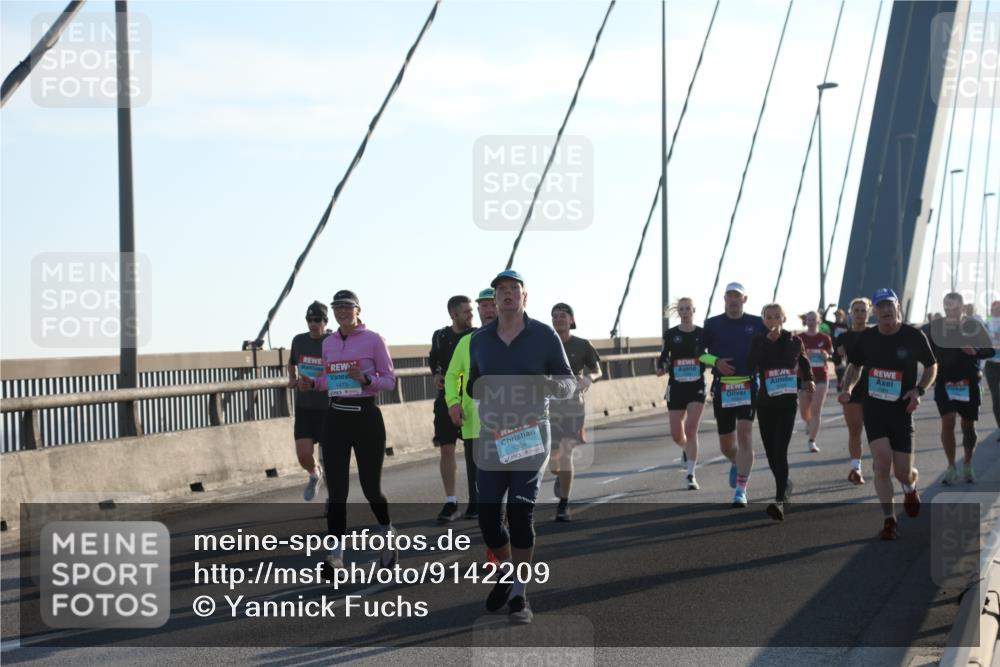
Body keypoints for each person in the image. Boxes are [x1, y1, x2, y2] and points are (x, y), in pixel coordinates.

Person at [467, 270, 575, 624]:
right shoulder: (480, 339)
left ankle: (519, 595)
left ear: (524, 297)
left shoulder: (543, 335)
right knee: (487, 518)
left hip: (530, 435)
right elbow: (473, 384)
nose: (508, 294)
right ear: (493, 300)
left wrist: (546, 384)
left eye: (515, 289)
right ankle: (511, 569)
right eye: (502, 290)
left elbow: (568, 384)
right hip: (493, 436)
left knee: (519, 511)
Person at [298, 290, 397, 569]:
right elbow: (330, 379)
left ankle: (387, 533)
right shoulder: (328, 342)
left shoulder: (374, 340)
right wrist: (313, 383)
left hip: (366, 417)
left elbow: (390, 381)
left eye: (347, 307)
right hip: (336, 418)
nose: (342, 311)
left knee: (371, 490)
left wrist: (366, 378)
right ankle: (336, 556)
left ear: (358, 310)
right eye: (337, 307)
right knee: (337, 492)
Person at [839, 288, 937, 540]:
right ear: (875, 311)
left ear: (897, 309)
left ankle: (910, 487)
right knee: (882, 464)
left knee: (902, 471)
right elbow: (855, 366)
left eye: (889, 306)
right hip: (874, 408)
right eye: (880, 306)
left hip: (902, 409)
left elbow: (931, 366)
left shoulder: (913, 336)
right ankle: (889, 520)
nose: (885, 310)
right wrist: (847, 388)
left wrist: (919, 390)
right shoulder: (868, 338)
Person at [702, 282, 768, 508]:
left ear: (744, 300)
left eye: (737, 296)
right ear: (724, 299)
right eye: (729, 296)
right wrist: (716, 362)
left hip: (749, 386)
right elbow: (698, 353)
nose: (733, 300)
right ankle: (736, 461)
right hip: (723, 388)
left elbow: (773, 345)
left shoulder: (757, 323)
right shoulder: (712, 324)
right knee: (726, 445)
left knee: (745, 433)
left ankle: (741, 490)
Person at [747, 303, 815, 521]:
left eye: (777, 316)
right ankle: (785, 485)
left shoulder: (793, 341)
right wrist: (767, 341)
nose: (773, 320)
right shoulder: (758, 340)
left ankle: (779, 501)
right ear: (763, 320)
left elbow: (801, 362)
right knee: (770, 454)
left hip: (787, 403)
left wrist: (809, 380)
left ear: (784, 319)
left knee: (780, 451)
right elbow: (751, 363)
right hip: (766, 404)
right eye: (769, 317)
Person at [922, 292, 996, 483]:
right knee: (948, 421)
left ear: (962, 308)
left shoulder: (973, 326)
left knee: (968, 426)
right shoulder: (935, 327)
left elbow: (990, 350)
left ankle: (968, 464)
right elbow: (918, 343)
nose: (950, 311)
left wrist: (975, 351)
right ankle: (951, 466)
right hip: (944, 381)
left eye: (954, 308)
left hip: (968, 381)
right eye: (947, 307)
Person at [444, 288, 498, 521]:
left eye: (492, 304)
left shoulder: (516, 338)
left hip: (510, 421)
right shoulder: (467, 341)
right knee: (476, 469)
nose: (488, 310)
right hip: (474, 419)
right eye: (483, 306)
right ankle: (477, 505)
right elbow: (450, 375)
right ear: (478, 311)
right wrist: (453, 402)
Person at [549, 303, 602, 520]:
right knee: (554, 462)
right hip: (548, 408)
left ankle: (564, 504)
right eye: (555, 316)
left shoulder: (582, 345)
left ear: (571, 320)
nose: (558, 319)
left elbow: (598, 370)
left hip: (573, 407)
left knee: (566, 452)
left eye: (563, 316)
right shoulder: (544, 344)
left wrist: (588, 378)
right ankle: (560, 477)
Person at [429, 295, 476, 523]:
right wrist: (437, 375)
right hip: (446, 400)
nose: (471, 314)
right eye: (466, 311)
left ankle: (477, 499)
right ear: (453, 314)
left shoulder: (477, 336)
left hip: (471, 401)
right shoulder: (440, 336)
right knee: (446, 449)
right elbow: (435, 362)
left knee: (474, 451)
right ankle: (451, 501)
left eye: (471, 311)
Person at [656, 297, 707, 490]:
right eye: (682, 309)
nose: (685, 312)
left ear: (694, 311)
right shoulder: (670, 334)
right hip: (676, 386)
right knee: (677, 435)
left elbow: (708, 354)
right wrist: (661, 368)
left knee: (691, 429)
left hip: (696, 386)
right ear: (679, 312)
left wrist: (714, 362)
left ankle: (691, 475)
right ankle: (685, 448)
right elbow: (663, 357)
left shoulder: (702, 334)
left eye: (688, 309)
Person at [288, 301, 331, 501]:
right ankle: (314, 474)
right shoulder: (298, 341)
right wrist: (292, 379)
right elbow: (291, 362)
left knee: (330, 459)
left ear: (325, 321)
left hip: (328, 407)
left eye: (317, 320)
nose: (313, 324)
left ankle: (333, 501)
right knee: (304, 456)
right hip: (305, 406)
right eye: (309, 320)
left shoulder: (333, 341)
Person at [834, 297, 872, 484]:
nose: (859, 314)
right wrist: (839, 360)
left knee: (876, 430)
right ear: (850, 313)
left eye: (863, 310)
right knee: (855, 429)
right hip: (852, 386)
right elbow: (838, 361)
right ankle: (856, 468)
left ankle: (880, 463)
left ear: (869, 313)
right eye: (856, 310)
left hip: (876, 386)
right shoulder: (844, 337)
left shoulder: (876, 334)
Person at [798, 311, 834, 453]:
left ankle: (812, 441)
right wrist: (805, 354)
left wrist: (826, 355)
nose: (811, 321)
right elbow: (793, 356)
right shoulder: (799, 338)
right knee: (803, 411)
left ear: (819, 321)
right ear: (805, 321)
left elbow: (831, 353)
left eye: (814, 319)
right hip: (804, 377)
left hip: (821, 377)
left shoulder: (824, 338)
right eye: (809, 319)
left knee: (816, 409)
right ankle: (808, 422)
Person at [986, 301, 1000, 441]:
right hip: (991, 365)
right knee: (996, 398)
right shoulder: (987, 322)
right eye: (993, 308)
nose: (996, 310)